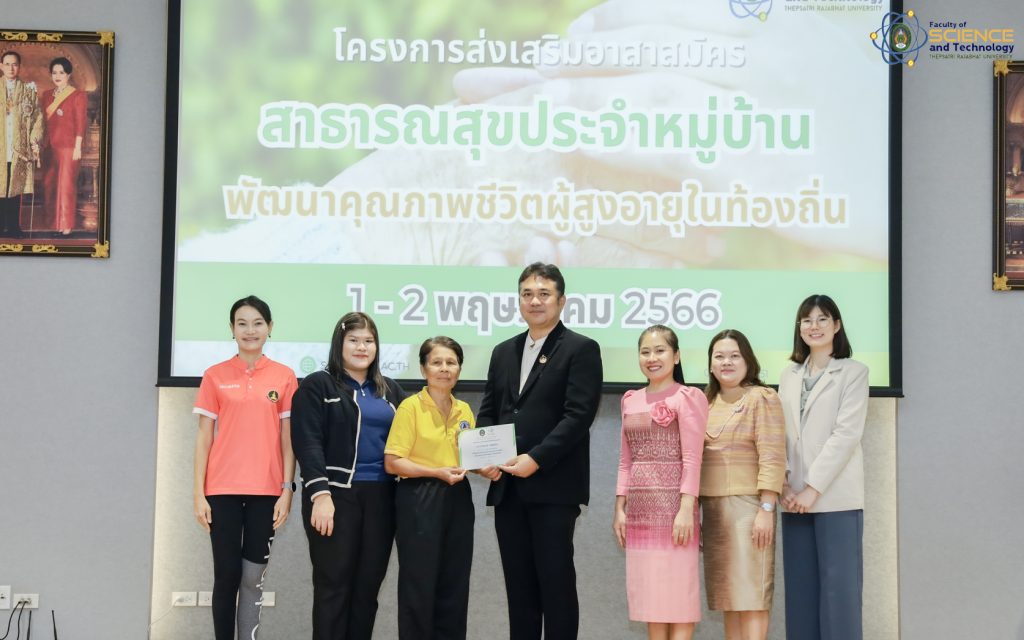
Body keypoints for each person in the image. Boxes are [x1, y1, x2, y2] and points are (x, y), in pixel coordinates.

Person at [477, 262, 603, 640]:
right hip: (508, 488)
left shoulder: (581, 349)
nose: (535, 301)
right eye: (527, 294)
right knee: (520, 592)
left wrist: (536, 459)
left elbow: (578, 416)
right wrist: (484, 459)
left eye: (544, 294)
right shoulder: (503, 351)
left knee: (556, 587)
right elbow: (489, 411)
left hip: (553, 488)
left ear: (561, 301)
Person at [290, 311, 407, 640]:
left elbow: (414, 438)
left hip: (382, 498)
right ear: (339, 344)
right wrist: (320, 495)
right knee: (333, 587)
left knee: (367, 589)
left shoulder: (391, 390)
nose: (361, 347)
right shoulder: (318, 385)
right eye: (353, 340)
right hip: (335, 497)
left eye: (369, 341)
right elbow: (308, 442)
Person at [192, 295, 298, 640]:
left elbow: (288, 438)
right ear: (232, 329)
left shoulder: (284, 377)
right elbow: (204, 438)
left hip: (266, 492)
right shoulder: (215, 376)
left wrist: (287, 489)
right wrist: (198, 494)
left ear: (269, 327)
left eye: (257, 323)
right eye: (242, 323)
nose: (250, 330)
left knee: (253, 578)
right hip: (220, 491)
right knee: (226, 576)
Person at [383, 337, 501, 640]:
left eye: (451, 362)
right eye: (436, 362)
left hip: (458, 498)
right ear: (423, 369)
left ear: (459, 369)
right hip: (419, 498)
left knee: (454, 583)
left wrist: (484, 469)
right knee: (419, 583)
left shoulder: (464, 410)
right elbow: (393, 462)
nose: (444, 369)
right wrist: (435, 472)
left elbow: (467, 459)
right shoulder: (410, 407)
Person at [777, 294, 869, 640]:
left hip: (835, 498)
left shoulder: (854, 372)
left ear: (837, 326)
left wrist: (812, 489)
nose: (814, 326)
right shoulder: (788, 375)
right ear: (799, 328)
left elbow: (846, 435)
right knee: (800, 596)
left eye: (822, 319)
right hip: (793, 499)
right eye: (807, 320)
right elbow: (780, 433)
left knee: (839, 597)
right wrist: (785, 485)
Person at [613, 324, 707, 640]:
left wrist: (686, 509)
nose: (652, 358)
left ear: (676, 356)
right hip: (640, 511)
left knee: (679, 595)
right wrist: (620, 507)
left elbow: (693, 458)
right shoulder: (630, 399)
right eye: (645, 352)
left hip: (675, 510)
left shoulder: (688, 397)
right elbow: (625, 460)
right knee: (651, 598)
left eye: (660, 350)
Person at [700, 329, 786, 640]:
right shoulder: (706, 402)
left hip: (749, 511)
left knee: (752, 597)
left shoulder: (762, 398)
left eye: (734, 356)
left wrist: (766, 508)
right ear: (711, 365)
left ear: (748, 361)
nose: (727, 362)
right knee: (730, 599)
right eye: (719, 356)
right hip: (713, 512)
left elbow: (773, 456)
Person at [41, 56, 87, 235]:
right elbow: (42, 123)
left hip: (69, 148)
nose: (57, 76)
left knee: (66, 186)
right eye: (54, 72)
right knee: (50, 185)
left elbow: (80, 122)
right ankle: (53, 222)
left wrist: (78, 147)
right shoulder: (47, 95)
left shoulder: (78, 95)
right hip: (49, 147)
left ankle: (66, 224)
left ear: (68, 74)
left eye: (61, 72)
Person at [0, 50, 43, 239]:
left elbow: (37, 118)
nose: (11, 68)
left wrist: (34, 140)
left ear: (19, 67)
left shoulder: (28, 90)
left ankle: (13, 226)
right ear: (1, 66)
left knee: (15, 188)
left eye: (14, 64)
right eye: (7, 64)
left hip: (19, 148)